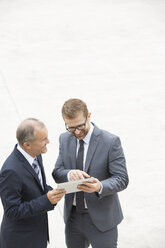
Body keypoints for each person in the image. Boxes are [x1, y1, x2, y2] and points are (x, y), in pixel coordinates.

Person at [52, 98, 129, 248]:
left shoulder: (110, 141)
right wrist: (69, 174)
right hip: (73, 218)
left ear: (89, 116)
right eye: (71, 128)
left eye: (81, 125)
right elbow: (57, 172)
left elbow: (122, 178)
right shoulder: (64, 139)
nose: (77, 131)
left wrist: (99, 186)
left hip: (102, 220)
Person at [0, 118, 65, 248]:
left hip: (37, 236)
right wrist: (46, 200)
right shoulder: (11, 171)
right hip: (21, 241)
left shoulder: (35, 154)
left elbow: (36, 187)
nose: (48, 141)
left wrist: (50, 192)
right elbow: (12, 211)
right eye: (43, 140)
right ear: (27, 145)